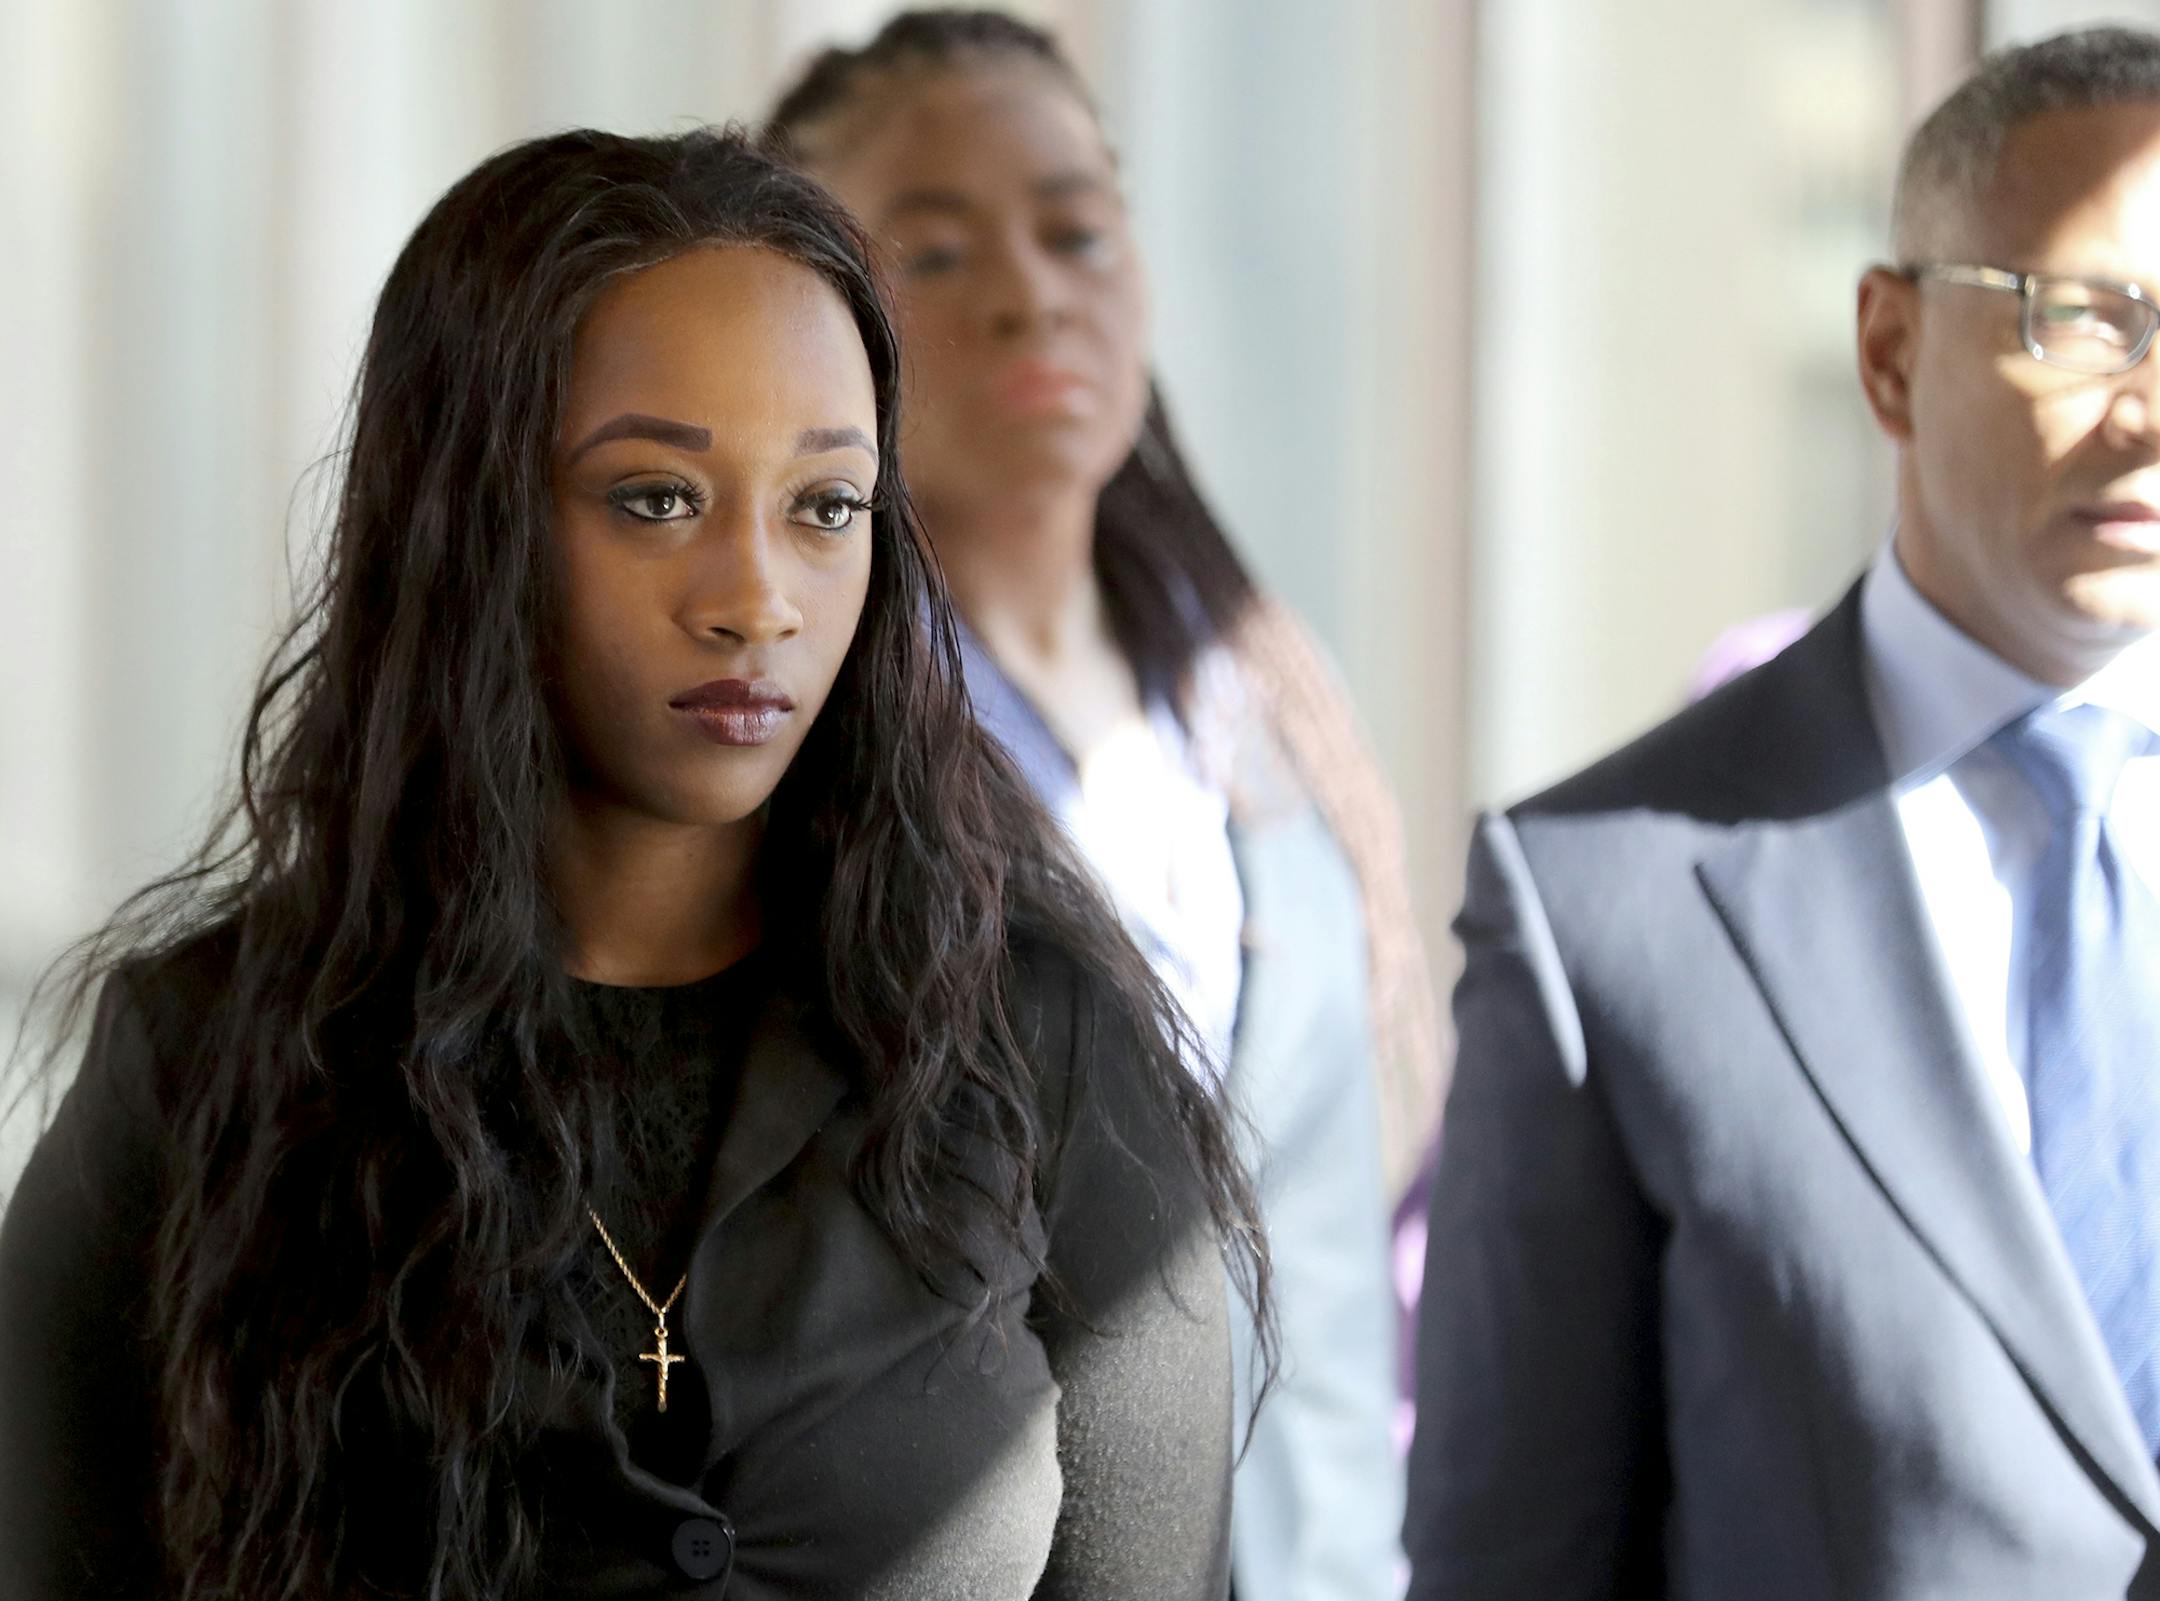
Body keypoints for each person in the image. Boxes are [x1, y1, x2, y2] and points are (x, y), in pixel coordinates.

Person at [0, 126, 1271, 1601]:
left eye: (825, 507)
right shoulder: (207, 1064)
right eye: (656, 498)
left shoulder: (1040, 1046)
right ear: (472, 526)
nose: (755, 600)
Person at [1408, 25, 2160, 1600]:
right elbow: (1515, 1558)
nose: (2149, 408)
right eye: (2088, 321)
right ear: (1888, 349)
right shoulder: (1610, 898)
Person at [766, 13, 1446, 1599]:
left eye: (1075, 227)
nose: (1030, 290)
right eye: (932, 255)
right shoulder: (791, 734)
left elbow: (1329, 1305)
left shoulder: (1267, 717)